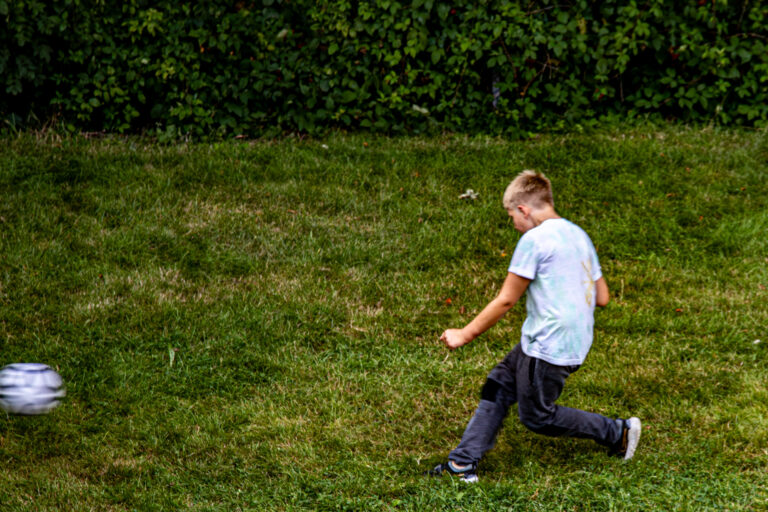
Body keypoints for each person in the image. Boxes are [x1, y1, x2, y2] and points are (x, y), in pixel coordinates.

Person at [429, 170, 640, 483]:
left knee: (538, 416)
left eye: (511, 215)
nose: (513, 223)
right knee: (498, 384)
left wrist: (465, 333)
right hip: (571, 341)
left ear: (523, 210)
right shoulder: (578, 234)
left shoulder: (534, 240)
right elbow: (604, 297)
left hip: (547, 344)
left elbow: (506, 300)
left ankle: (616, 431)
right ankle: (462, 464)